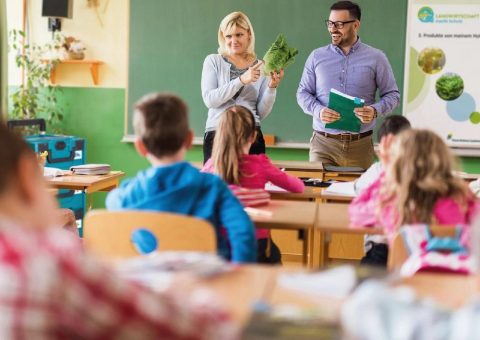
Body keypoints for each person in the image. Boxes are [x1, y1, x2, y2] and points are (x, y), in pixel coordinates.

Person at [0, 121, 236, 339]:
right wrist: (195, 294)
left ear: (141, 146)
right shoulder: (51, 260)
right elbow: (201, 330)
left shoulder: (125, 195)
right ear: (26, 175)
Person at [106, 93, 257, 263]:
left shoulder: (128, 194)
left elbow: (112, 200)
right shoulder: (213, 187)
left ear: (140, 147)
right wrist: (239, 272)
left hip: (156, 281)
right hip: (207, 280)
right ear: (189, 139)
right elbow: (243, 230)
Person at [297, 1, 400, 168]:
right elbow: (302, 93)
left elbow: (393, 95)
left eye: (339, 24)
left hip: (360, 146)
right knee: (319, 192)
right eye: (330, 23)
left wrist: (375, 110)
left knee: (358, 194)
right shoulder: (316, 57)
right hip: (323, 144)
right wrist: (318, 110)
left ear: (356, 24)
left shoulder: (376, 58)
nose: (332, 29)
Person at [202, 106, 304, 263]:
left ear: (220, 135)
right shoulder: (260, 164)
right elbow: (298, 187)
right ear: (253, 136)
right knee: (274, 256)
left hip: (218, 246)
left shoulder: (210, 166)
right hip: (256, 242)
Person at [349, 129, 480, 248]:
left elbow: (356, 213)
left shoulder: (390, 201)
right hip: (453, 271)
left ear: (399, 162)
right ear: (443, 158)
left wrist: (387, 170)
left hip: (403, 272)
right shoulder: (462, 197)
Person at [201, 11, 284, 163]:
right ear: (222, 37)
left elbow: (260, 113)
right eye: (229, 36)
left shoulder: (261, 65)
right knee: (219, 185)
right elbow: (210, 100)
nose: (234, 40)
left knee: (252, 185)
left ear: (249, 35)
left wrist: (272, 87)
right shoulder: (213, 61)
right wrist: (241, 80)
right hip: (218, 134)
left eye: (239, 34)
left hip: (251, 135)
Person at [353, 115, 411, 266]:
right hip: (413, 250)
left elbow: (357, 190)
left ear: (382, 144)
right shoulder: (420, 171)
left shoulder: (378, 170)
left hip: (380, 250)